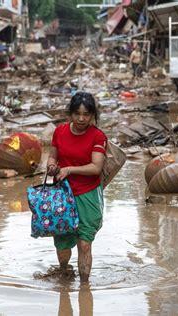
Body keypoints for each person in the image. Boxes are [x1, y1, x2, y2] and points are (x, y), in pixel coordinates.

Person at [46, 92, 107, 284]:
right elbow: (52, 156)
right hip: (62, 195)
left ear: (92, 115)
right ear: (70, 113)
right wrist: (51, 167)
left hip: (87, 194)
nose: (81, 119)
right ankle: (64, 272)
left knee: (85, 243)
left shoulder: (97, 136)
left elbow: (96, 168)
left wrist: (69, 170)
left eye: (86, 114)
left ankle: (84, 287)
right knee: (63, 243)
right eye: (77, 114)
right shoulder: (60, 132)